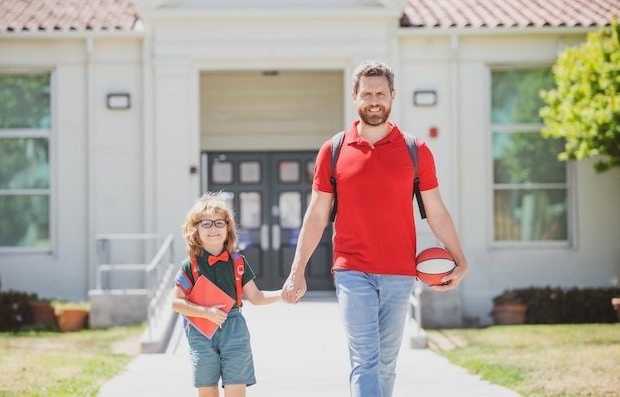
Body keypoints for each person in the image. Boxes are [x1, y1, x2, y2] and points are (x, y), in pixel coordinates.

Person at [281, 60, 469, 397]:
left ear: (393, 96)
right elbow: (316, 214)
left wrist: (460, 259)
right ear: (354, 97)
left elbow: (436, 210)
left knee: (385, 364)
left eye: (380, 93)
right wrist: (298, 270)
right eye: (366, 93)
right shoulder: (334, 150)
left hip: (400, 272)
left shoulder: (416, 151)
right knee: (365, 360)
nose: (374, 99)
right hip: (353, 271)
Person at [172, 192, 284, 397]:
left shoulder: (238, 263)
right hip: (202, 332)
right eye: (206, 223)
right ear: (195, 230)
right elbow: (176, 303)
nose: (213, 228)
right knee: (207, 391)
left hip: (235, 331)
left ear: (228, 228)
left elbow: (256, 297)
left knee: (236, 392)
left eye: (219, 223)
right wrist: (205, 312)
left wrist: (282, 294)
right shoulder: (191, 266)